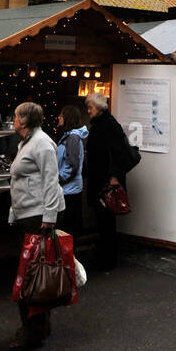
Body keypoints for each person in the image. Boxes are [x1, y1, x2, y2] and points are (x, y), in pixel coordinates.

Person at [8, 102, 66, 351]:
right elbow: (19, 181)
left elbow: (51, 181)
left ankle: (32, 331)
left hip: (37, 215)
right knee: (33, 271)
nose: (13, 119)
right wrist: (14, 212)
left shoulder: (42, 144)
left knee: (31, 275)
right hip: (27, 213)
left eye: (15, 116)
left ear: (24, 121)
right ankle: (39, 326)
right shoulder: (27, 143)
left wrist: (49, 218)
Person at [84, 93, 132, 270]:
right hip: (101, 180)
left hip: (105, 182)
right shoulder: (103, 123)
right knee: (103, 220)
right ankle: (105, 255)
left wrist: (113, 176)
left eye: (90, 107)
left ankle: (107, 258)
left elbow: (119, 154)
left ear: (99, 107)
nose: (88, 111)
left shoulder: (107, 125)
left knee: (106, 221)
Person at [56, 105, 86, 238]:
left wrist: (59, 178)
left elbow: (72, 165)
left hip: (69, 190)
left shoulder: (72, 138)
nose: (58, 117)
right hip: (70, 189)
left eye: (61, 115)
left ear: (67, 118)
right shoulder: (69, 136)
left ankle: (68, 258)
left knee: (67, 230)